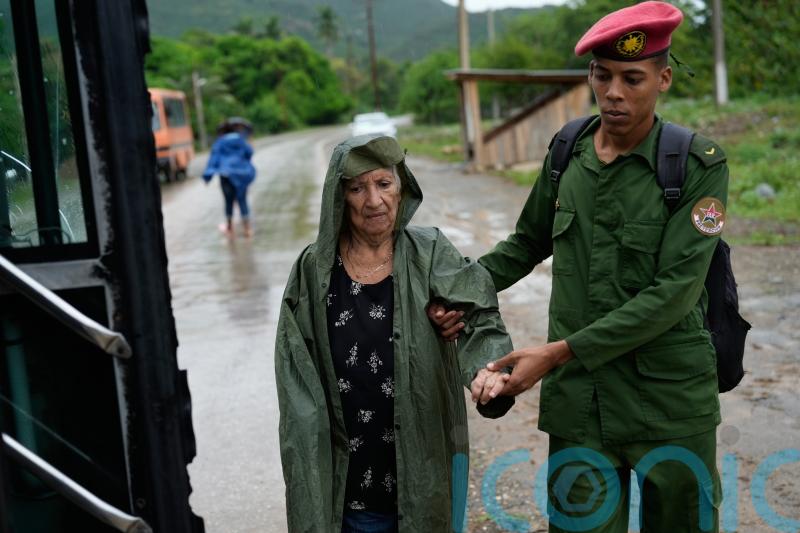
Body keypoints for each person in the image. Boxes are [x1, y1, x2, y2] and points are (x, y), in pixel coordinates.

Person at [430, 2, 728, 531]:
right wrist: (454, 294)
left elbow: (675, 293)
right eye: (602, 75)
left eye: (632, 78)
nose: (614, 92)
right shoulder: (567, 151)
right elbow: (525, 243)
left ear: (663, 79)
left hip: (670, 402)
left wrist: (556, 354)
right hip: (581, 406)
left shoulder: (696, 165)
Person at [275, 134, 515, 532]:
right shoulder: (313, 270)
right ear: (339, 197)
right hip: (345, 483)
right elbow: (294, 374)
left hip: (420, 467)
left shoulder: (431, 251)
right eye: (357, 188)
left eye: (384, 184)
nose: (374, 201)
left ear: (401, 189)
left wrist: (488, 372)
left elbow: (478, 316)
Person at [202, 120, 256, 238]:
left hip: (226, 175)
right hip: (242, 175)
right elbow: (250, 152)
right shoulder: (241, 139)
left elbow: (213, 160)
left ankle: (230, 228)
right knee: (242, 200)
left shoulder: (219, 142)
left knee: (228, 202)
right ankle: (247, 229)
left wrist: (207, 176)